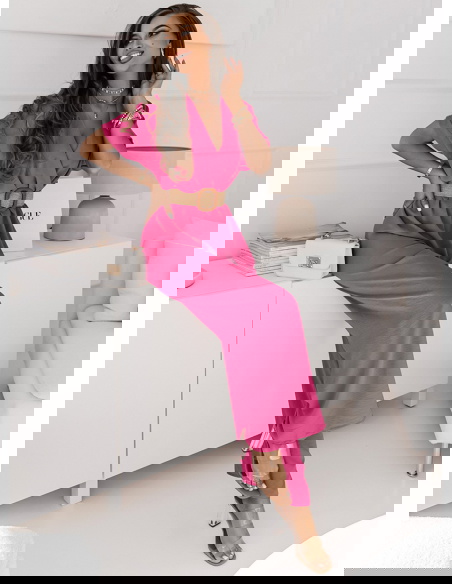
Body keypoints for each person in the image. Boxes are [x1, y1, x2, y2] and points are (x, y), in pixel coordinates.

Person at [80, 3, 332, 574]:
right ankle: (270, 459)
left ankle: (271, 451)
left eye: (199, 44)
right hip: (175, 243)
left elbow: (260, 162)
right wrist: (162, 183)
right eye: (183, 47)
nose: (194, 55)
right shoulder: (153, 103)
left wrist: (238, 104)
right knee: (270, 310)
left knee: (279, 314)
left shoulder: (223, 99)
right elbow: (99, 150)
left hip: (224, 240)